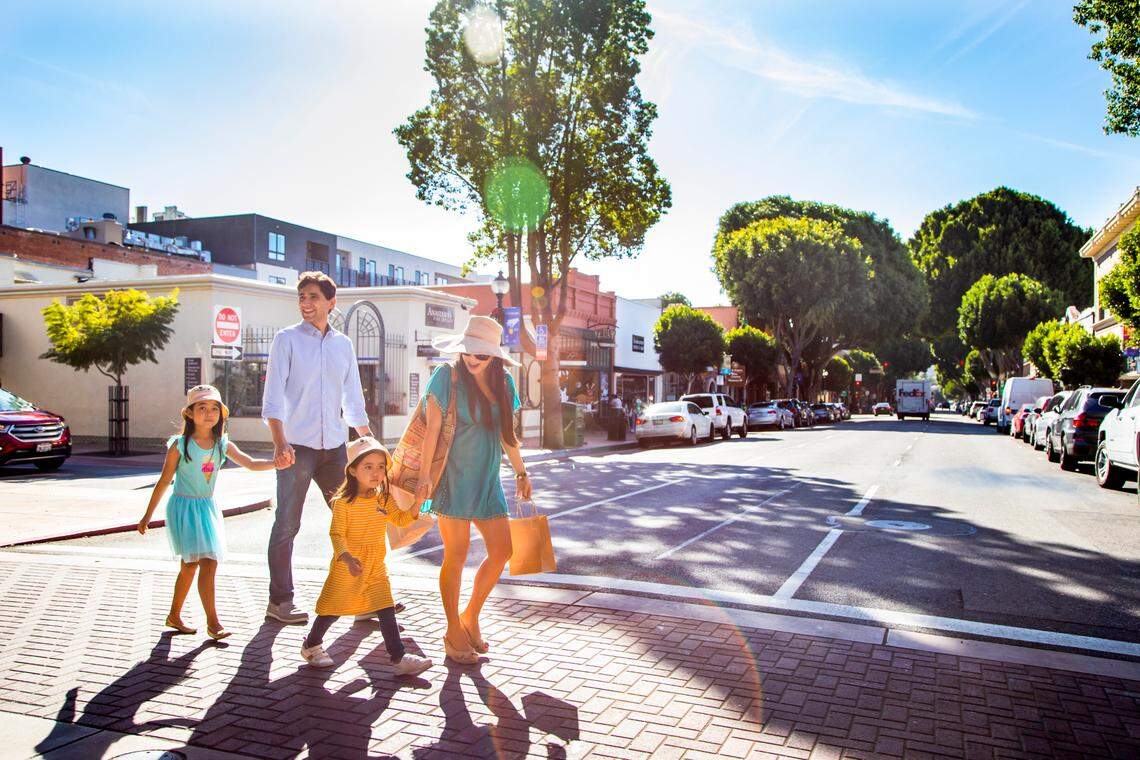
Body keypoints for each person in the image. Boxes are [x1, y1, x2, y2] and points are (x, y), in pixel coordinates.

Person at [416, 316, 533, 664]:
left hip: (488, 480)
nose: (472, 359)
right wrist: (424, 476)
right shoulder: (446, 377)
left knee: (503, 551)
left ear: (494, 357)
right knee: (456, 553)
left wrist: (522, 472)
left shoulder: (505, 384)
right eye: (469, 352)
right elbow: (432, 431)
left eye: (480, 356)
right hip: (452, 478)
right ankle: (453, 630)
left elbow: (507, 436)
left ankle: (470, 616)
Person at [261, 272, 373, 625]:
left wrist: (367, 442)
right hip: (297, 447)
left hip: (335, 449)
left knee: (353, 522)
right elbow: (273, 396)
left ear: (330, 302)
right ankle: (280, 602)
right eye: (301, 297)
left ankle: (363, 598)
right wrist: (280, 441)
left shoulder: (343, 345)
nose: (306, 303)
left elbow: (353, 397)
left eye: (312, 297)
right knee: (287, 524)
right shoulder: (287, 339)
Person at [138, 385, 276, 639]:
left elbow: (251, 463)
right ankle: (205, 621)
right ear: (190, 414)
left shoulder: (222, 444)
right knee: (192, 566)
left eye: (214, 408)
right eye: (202, 407)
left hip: (207, 508)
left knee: (204, 564)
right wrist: (147, 515)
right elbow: (164, 480)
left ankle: (183, 617)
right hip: (184, 508)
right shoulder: (179, 445)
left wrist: (276, 463)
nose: (209, 413)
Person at [299, 436, 433, 676]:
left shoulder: (383, 498)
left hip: (375, 566)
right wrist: (347, 558)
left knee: (385, 608)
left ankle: (399, 658)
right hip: (347, 566)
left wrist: (417, 505)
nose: (376, 473)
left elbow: (400, 519)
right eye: (368, 467)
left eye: (381, 467)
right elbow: (336, 534)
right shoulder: (343, 503)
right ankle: (311, 645)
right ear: (352, 471)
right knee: (333, 608)